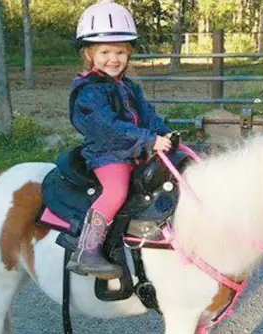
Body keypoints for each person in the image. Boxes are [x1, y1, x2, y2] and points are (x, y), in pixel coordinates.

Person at [65, 0, 172, 280]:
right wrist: (148, 140)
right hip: (108, 154)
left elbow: (147, 115)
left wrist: (163, 132)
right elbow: (108, 127)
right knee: (117, 191)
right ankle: (87, 250)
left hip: (134, 150)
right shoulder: (89, 92)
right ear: (89, 53)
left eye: (121, 52)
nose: (114, 59)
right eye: (105, 51)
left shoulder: (129, 87)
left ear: (129, 53)